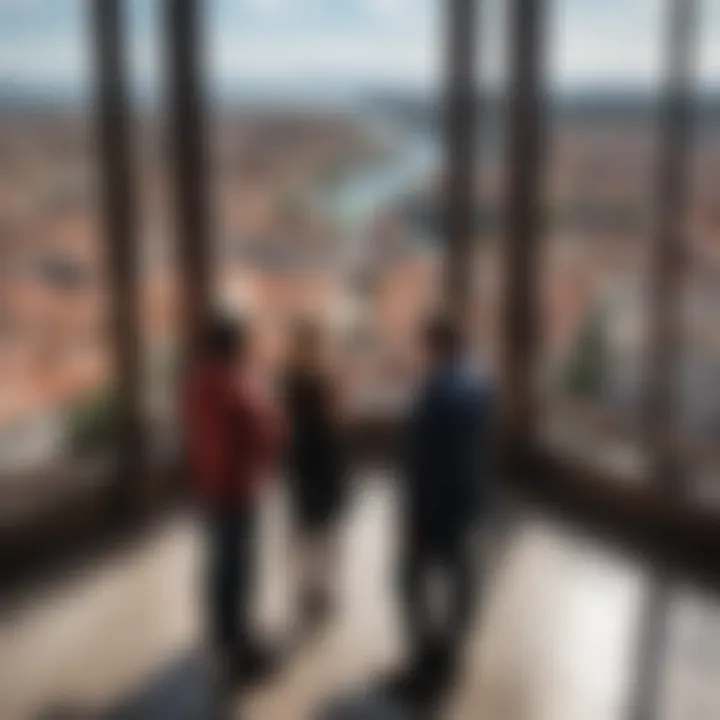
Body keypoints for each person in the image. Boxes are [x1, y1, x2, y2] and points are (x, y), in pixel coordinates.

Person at [390, 314, 494, 705]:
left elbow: (422, 462)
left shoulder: (434, 392)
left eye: (425, 348)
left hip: (433, 508)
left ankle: (426, 659)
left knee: (409, 582)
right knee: (461, 580)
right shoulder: (479, 383)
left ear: (435, 347)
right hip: (467, 500)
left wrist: (413, 516)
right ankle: (449, 653)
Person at [183, 315, 282, 683]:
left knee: (219, 566)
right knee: (239, 570)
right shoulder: (236, 384)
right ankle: (239, 647)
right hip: (236, 491)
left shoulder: (195, 382)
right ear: (234, 346)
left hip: (208, 489)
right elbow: (264, 430)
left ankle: (221, 634)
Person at [281, 319, 349, 628]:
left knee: (310, 528)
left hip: (306, 461)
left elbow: (285, 424)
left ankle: (311, 590)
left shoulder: (290, 380)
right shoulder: (320, 380)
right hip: (320, 460)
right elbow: (337, 420)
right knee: (320, 529)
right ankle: (317, 590)